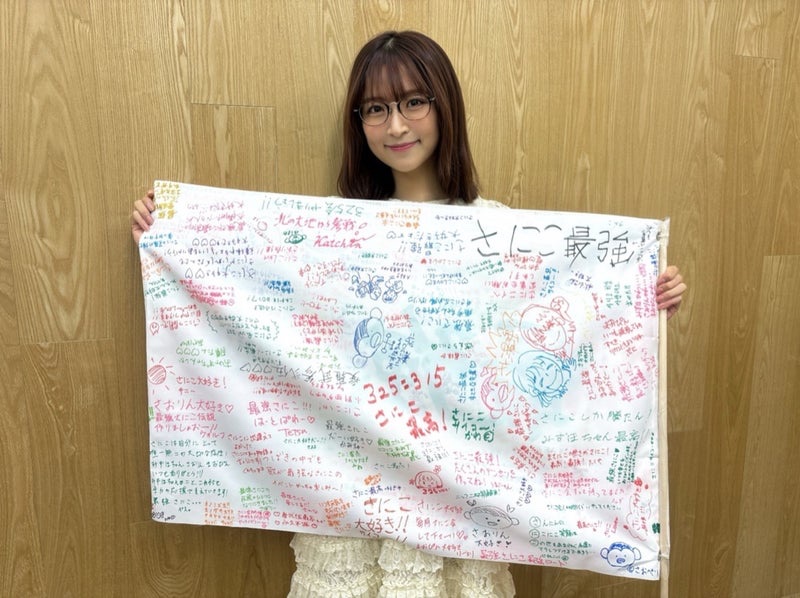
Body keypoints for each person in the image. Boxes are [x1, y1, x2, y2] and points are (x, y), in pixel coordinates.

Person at [131, 30, 686, 598]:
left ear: (445, 107)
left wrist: (639, 300)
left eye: (413, 102)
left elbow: (548, 343)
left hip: (461, 506)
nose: (396, 126)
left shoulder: (498, 229)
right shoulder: (329, 231)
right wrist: (174, 234)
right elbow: (258, 292)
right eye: (376, 109)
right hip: (352, 500)